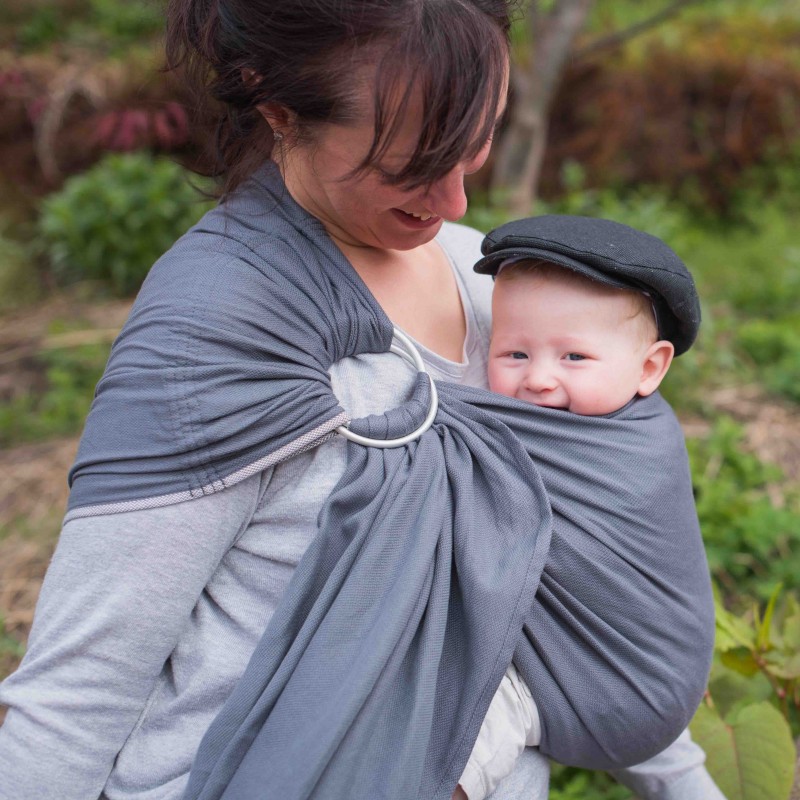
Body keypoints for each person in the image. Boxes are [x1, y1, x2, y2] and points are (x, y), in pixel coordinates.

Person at [0, 2, 714, 798]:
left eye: (474, 146)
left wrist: (684, 779)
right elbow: (79, 688)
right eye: (409, 166)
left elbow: (577, 587)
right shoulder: (217, 332)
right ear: (275, 107)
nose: (454, 204)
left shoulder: (496, 288)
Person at [453, 214, 726, 800]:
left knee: (458, 726)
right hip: (633, 685)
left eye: (574, 357)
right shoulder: (591, 415)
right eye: (514, 353)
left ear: (650, 368)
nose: (540, 381)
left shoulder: (641, 447)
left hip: (617, 680)